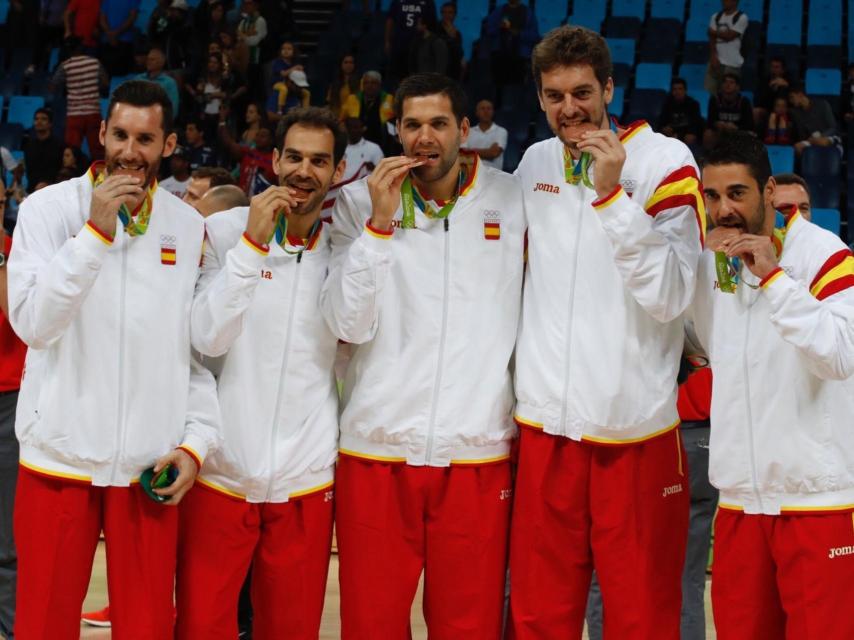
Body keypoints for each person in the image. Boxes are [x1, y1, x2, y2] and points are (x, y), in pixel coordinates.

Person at [6, 80, 221, 638]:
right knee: (43, 624)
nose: (130, 151)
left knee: (148, 626)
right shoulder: (46, 211)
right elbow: (32, 323)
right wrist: (94, 236)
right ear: (101, 133)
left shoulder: (187, 226)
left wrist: (195, 443)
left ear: (168, 144)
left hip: (146, 465)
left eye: (145, 138)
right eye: (120, 134)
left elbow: (191, 353)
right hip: (59, 458)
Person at [508, 26, 703, 639]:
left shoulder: (666, 161)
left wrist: (613, 196)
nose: (570, 108)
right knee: (540, 614)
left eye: (583, 91)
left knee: (640, 616)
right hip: (545, 429)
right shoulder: (535, 162)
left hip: (633, 433)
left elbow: (672, 296)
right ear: (540, 99)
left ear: (610, 88)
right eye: (555, 95)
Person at [320, 72, 525, 638]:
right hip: (376, 450)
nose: (424, 137)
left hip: (476, 454)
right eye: (412, 125)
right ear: (397, 130)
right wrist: (380, 228)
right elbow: (346, 323)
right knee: (371, 623)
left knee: (470, 626)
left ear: (464, 129)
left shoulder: (512, 200)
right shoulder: (358, 204)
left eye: (438, 123)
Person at [177, 106, 346, 639]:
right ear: (273, 161)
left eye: (319, 161)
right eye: (293, 156)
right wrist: (252, 247)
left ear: (338, 172)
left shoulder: (345, 247)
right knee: (202, 627)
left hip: (305, 477)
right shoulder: (223, 232)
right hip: (222, 471)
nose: (303, 171)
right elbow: (206, 337)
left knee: (291, 629)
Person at [690, 131, 854, 640]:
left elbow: (841, 355)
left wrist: (775, 278)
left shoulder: (824, 254)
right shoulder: (713, 265)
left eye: (736, 193)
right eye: (712, 196)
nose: (723, 210)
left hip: (816, 502)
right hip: (740, 502)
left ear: (770, 193)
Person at [586, 360, 716, 640]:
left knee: (610, 570)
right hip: (707, 439)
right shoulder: (705, 323)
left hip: (655, 437)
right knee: (687, 579)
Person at [0, 186, 27, 640]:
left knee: (7, 539)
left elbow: (19, 318)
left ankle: (11, 628)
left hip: (10, 399)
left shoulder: (17, 250)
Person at [51, 36, 109, 160]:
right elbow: (105, 83)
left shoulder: (65, 65)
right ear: (81, 47)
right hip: (93, 111)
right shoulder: (94, 62)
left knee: (72, 150)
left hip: (74, 114)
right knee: (98, 149)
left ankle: (74, 176)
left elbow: (53, 86)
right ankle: (100, 177)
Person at [321, 117, 384, 220]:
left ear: (362, 129)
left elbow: (382, 175)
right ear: (346, 129)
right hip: (338, 194)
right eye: (351, 127)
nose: (354, 130)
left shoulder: (373, 148)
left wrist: (373, 169)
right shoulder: (337, 148)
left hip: (362, 198)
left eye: (357, 127)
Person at [218, 110, 276, 195]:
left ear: (271, 140)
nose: (258, 138)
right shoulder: (248, 152)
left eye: (263, 136)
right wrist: (222, 121)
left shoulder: (275, 162)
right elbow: (229, 143)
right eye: (257, 135)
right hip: (240, 200)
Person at [485, 0, 540, 89]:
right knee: (497, 88)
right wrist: (499, 27)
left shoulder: (528, 13)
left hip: (519, 56)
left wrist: (519, 34)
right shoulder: (499, 10)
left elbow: (534, 36)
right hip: (499, 54)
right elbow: (489, 30)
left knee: (516, 88)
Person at [340, 71, 396, 151]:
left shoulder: (389, 99)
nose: (369, 86)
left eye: (373, 83)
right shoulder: (352, 99)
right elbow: (341, 121)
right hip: (356, 143)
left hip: (382, 143)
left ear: (379, 85)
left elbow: (395, 122)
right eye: (366, 83)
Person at [385, 0, 437, 83]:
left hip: (420, 44)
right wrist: (387, 41)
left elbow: (432, 23)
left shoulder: (428, 2)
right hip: (400, 43)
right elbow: (390, 20)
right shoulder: (396, 2)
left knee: (417, 75)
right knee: (398, 75)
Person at [705, 0, 748, 93]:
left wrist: (713, 32)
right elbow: (712, 38)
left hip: (732, 63)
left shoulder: (742, 17)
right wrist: (713, 56)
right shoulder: (715, 16)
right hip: (715, 61)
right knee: (709, 93)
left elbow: (730, 36)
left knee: (729, 94)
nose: (723, 2)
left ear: (735, 2)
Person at [788, 83, 841, 156]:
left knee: (822, 142)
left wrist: (821, 136)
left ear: (800, 95)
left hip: (829, 137)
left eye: (792, 97)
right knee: (797, 147)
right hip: (811, 140)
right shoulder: (795, 113)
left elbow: (833, 128)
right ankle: (809, 165)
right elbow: (802, 135)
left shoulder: (823, 104)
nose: (791, 101)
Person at [22, 109, 64, 191]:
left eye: (43, 119)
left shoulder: (59, 145)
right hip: (32, 190)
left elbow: (58, 169)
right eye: (36, 119)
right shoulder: (29, 145)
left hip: (53, 189)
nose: (39, 121)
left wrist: (47, 183)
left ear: (50, 124)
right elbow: (29, 171)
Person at [462, 99, 508, 170]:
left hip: (494, 175)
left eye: (489, 108)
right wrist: (488, 151)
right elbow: (463, 154)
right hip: (471, 174)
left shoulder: (501, 131)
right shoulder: (467, 131)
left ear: (493, 112)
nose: (486, 111)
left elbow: (494, 153)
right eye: (482, 108)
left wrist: (470, 151)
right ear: (477, 113)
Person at [135, 47, 180, 118]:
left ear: (161, 62)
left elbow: (173, 109)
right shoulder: (138, 78)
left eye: (152, 59)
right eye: (148, 59)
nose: (148, 62)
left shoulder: (169, 83)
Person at [659, 78, 705, 146]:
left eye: (680, 89)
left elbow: (696, 123)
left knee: (690, 137)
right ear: (672, 91)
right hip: (671, 133)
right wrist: (664, 128)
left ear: (685, 90)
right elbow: (661, 121)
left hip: (686, 133)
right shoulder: (667, 104)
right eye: (675, 89)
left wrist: (680, 135)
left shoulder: (693, 104)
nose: (677, 92)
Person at [99, 0, 140, 76]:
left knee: (108, 74)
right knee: (123, 75)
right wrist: (115, 33)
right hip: (124, 40)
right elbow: (132, 17)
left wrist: (110, 34)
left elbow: (102, 18)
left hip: (109, 39)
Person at [754, 56, 790, 129]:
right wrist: (770, 88)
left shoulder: (789, 80)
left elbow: (795, 97)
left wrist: (786, 86)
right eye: (772, 67)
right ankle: (755, 135)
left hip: (785, 109)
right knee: (756, 111)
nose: (774, 69)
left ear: (783, 70)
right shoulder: (764, 80)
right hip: (768, 109)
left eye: (777, 67)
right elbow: (758, 101)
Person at [326, 54, 360, 119]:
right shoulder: (335, 83)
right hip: (337, 117)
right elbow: (330, 103)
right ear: (341, 64)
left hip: (354, 118)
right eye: (346, 62)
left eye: (351, 62)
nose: (348, 65)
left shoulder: (361, 82)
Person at [437, 2, 464, 80]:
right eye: (444, 12)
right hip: (437, 72)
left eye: (450, 12)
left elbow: (459, 54)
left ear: (455, 15)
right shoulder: (434, 30)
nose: (447, 15)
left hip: (452, 74)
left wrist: (453, 38)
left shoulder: (457, 33)